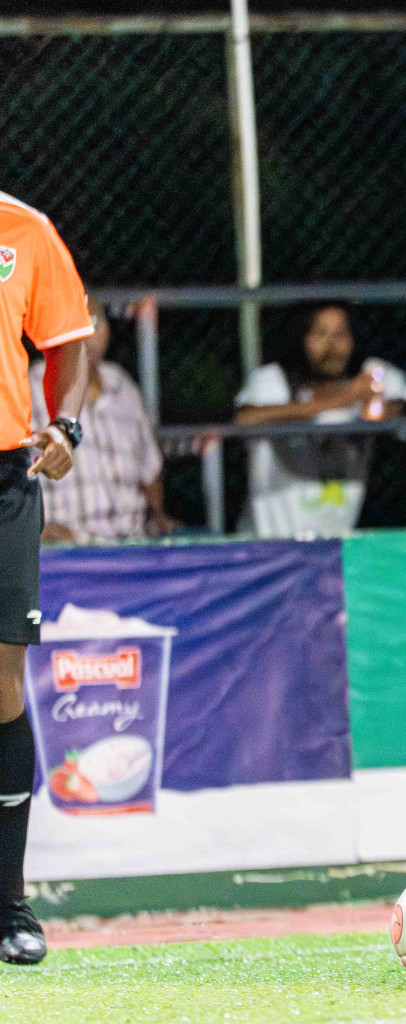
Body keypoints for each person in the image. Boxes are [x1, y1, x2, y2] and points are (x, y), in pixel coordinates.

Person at [0, 190, 92, 965]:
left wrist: (64, 425)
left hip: (3, 480)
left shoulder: (23, 228)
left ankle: (9, 907)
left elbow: (68, 341)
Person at [234, 302, 406, 537]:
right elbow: (243, 420)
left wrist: (392, 410)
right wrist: (342, 400)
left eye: (340, 334)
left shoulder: (369, 376)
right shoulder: (274, 378)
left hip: (336, 549)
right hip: (266, 547)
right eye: (320, 333)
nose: (331, 346)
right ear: (300, 338)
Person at [28, 298, 175, 543]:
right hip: (63, 549)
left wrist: (157, 515)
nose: (86, 332)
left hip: (130, 543)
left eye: (94, 321)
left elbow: (150, 470)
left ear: (107, 331)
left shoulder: (123, 387)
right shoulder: (27, 389)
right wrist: (31, 529)